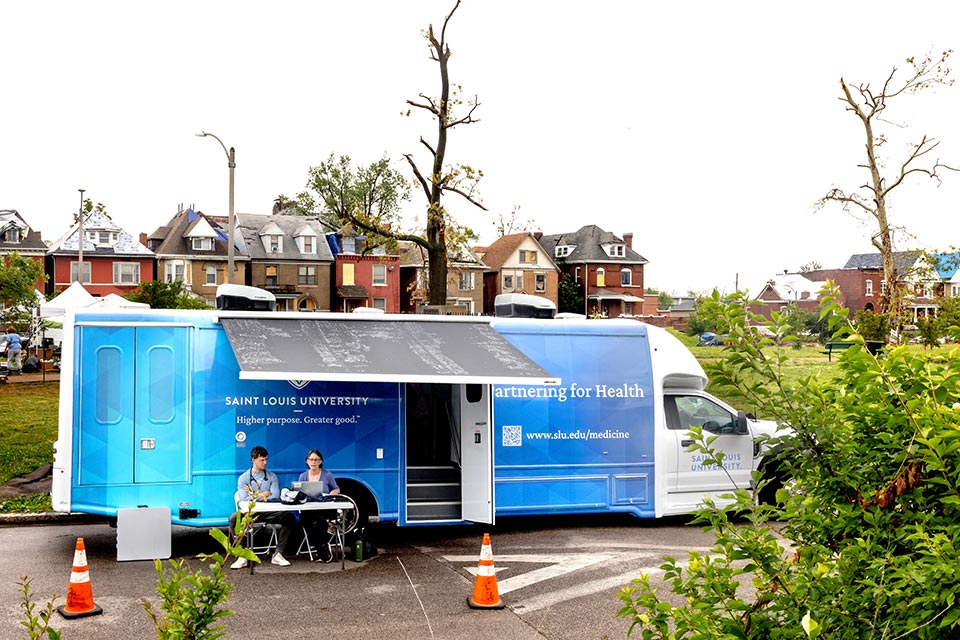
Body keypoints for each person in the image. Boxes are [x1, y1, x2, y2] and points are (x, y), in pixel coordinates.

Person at [229, 446, 295, 569]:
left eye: (266, 460)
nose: (265, 463)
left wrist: (253, 495)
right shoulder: (243, 478)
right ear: (253, 459)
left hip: (269, 511)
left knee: (289, 518)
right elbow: (244, 500)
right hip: (251, 513)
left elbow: (275, 495)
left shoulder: (272, 476)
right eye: (262, 460)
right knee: (233, 518)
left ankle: (278, 554)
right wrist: (264, 494)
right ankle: (242, 555)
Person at [298, 450, 341, 558]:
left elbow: (336, 489)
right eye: (311, 459)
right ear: (307, 461)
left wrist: (333, 493)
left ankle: (321, 549)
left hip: (325, 508)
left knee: (319, 522)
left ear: (320, 461)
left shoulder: (327, 475)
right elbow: (298, 494)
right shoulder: (303, 476)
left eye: (316, 459)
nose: (313, 462)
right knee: (309, 521)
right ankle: (322, 547)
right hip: (308, 510)